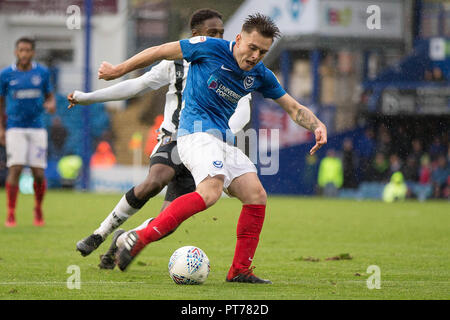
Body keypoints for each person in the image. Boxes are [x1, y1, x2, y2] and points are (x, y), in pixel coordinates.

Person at [97, 13, 327, 283]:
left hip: (221, 140)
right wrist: (117, 70)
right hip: (194, 134)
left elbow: (293, 108)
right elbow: (159, 51)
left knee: (256, 195)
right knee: (211, 191)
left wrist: (316, 125)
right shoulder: (209, 47)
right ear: (238, 39)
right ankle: (139, 238)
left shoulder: (260, 74)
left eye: (262, 52)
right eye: (251, 48)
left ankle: (240, 270)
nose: (255, 56)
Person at [68, 9, 252, 261]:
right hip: (174, 138)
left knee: (168, 221)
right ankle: (99, 233)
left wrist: (223, 134)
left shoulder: (233, 64)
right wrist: (89, 98)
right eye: (213, 33)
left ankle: (122, 238)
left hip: (206, 148)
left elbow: (244, 108)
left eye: (221, 32)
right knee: (156, 180)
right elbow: (137, 85)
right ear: (195, 35)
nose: (219, 37)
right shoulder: (176, 63)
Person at [0, 37, 56, 227]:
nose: (24, 54)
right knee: (15, 168)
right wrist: (1, 128)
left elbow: (50, 97)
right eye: (21, 50)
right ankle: (10, 213)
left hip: (37, 127)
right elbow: (0, 102)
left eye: (27, 50)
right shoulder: (6, 74)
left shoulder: (42, 73)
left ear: (32, 53)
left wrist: (50, 104)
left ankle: (38, 209)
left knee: (38, 173)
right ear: (16, 52)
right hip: (14, 127)